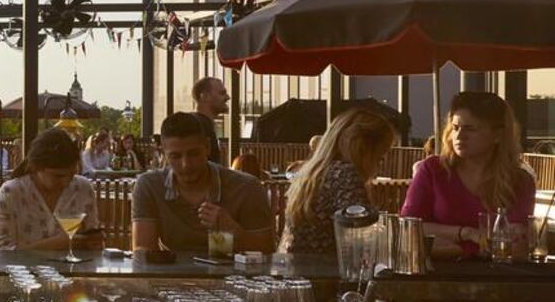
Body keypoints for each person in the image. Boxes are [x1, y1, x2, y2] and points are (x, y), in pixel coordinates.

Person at [401, 92, 536, 258]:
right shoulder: (434, 170)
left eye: (470, 129)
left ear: (498, 135)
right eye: (455, 128)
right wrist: (465, 233)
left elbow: (516, 241)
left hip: (498, 274)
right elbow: (408, 226)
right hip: (439, 273)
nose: (459, 136)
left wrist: (452, 243)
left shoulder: (520, 180)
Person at [132, 112, 274, 254]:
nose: (185, 164)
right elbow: (143, 250)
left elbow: (267, 251)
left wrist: (233, 231)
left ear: (207, 147)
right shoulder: (149, 186)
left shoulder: (246, 187)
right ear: (163, 153)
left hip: (231, 274)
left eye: (193, 154)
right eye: (175, 156)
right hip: (171, 273)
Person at [280, 110, 396, 254]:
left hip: (300, 268)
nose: (380, 164)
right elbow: (360, 231)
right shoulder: (345, 174)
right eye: (379, 156)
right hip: (330, 270)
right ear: (362, 148)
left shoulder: (311, 174)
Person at [0, 130, 104, 251]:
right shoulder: (11, 192)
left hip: (74, 269)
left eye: (71, 175)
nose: (66, 182)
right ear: (36, 168)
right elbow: (2, 252)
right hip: (26, 270)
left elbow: (94, 243)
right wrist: (57, 244)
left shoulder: (83, 188)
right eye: (58, 176)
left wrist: (94, 242)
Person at [191, 76, 229, 165]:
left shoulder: (201, 123)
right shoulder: (200, 125)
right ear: (205, 96)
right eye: (222, 93)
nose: (228, 97)